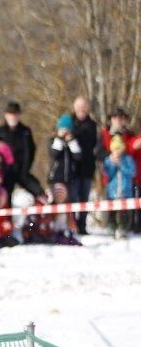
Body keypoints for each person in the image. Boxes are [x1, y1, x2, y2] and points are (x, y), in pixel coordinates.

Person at [0, 101, 45, 201]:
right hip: (5, 172)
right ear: (6, 115)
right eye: (10, 114)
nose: (13, 117)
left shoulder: (25, 131)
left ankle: (43, 211)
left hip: (22, 170)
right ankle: (6, 216)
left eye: (15, 114)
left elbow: (31, 150)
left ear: (19, 115)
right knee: (4, 197)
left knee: (37, 190)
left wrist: (26, 167)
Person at [70, 96, 99, 234]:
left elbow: (91, 144)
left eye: (84, 107)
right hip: (72, 169)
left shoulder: (92, 125)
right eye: (79, 106)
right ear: (74, 107)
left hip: (87, 168)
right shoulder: (68, 122)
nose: (81, 109)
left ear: (87, 108)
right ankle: (72, 224)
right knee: (72, 197)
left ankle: (82, 225)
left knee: (84, 198)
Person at [103, 136, 136, 240]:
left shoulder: (127, 159)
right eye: (115, 149)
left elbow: (133, 172)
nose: (117, 151)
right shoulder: (108, 160)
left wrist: (121, 164)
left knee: (124, 212)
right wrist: (112, 164)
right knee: (112, 210)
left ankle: (123, 229)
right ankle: (111, 228)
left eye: (119, 148)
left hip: (125, 190)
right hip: (112, 191)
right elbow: (108, 174)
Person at [49, 114, 82, 196]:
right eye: (62, 129)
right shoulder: (53, 141)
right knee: (59, 199)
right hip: (56, 178)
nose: (65, 132)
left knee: (71, 199)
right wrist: (59, 139)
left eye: (67, 129)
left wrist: (71, 141)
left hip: (70, 178)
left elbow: (78, 156)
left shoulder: (73, 142)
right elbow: (54, 154)